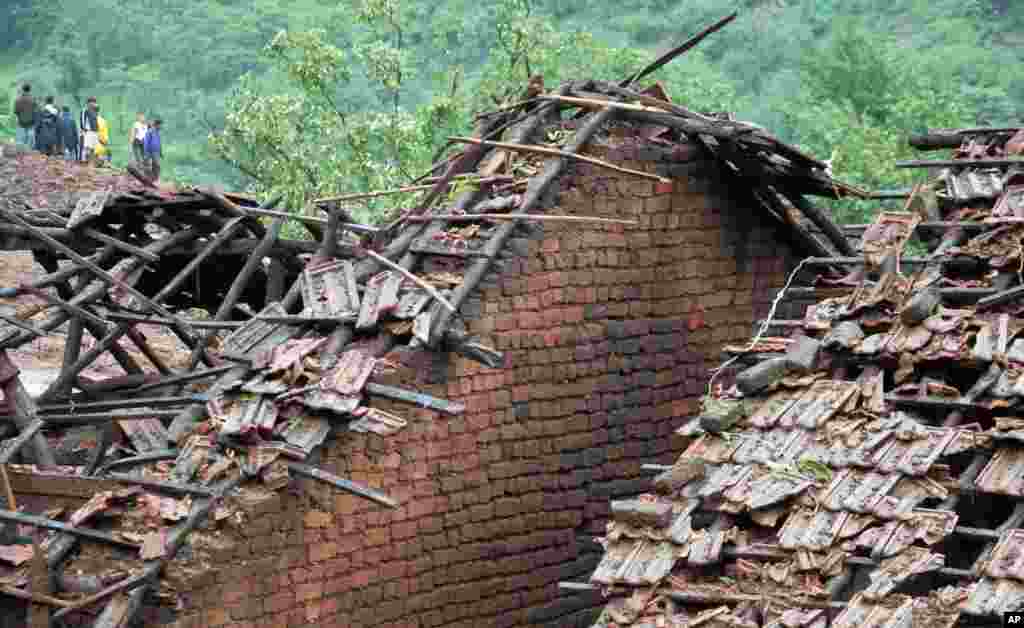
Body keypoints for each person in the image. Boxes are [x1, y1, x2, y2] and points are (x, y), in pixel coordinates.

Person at [79, 97, 99, 162]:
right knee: (86, 147)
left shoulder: (94, 111)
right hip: (88, 131)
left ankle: (91, 161)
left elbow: (95, 121)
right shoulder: (85, 110)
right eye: (92, 102)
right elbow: (82, 121)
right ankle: (83, 161)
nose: (93, 104)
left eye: (94, 102)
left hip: (94, 131)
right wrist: (84, 129)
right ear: (88, 103)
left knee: (92, 147)